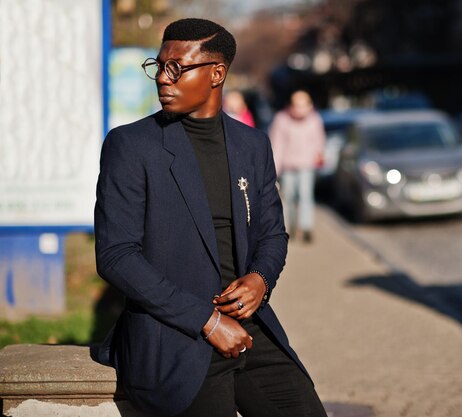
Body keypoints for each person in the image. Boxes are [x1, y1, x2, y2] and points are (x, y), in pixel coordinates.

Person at [94, 18, 327, 417]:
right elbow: (116, 255)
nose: (163, 79)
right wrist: (206, 320)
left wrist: (261, 279)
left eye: (176, 68)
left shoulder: (251, 144)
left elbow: (273, 234)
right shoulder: (131, 146)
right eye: (159, 66)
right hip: (176, 335)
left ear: (217, 73)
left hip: (248, 327)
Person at [269, 90, 326, 243]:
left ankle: (306, 227)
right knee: (288, 197)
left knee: (305, 195)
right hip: (287, 164)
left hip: (306, 164)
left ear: (309, 106)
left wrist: (319, 155)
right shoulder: (281, 119)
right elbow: (277, 144)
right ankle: (289, 228)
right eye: (297, 105)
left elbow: (319, 141)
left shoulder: (314, 120)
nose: (300, 109)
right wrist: (275, 168)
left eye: (303, 105)